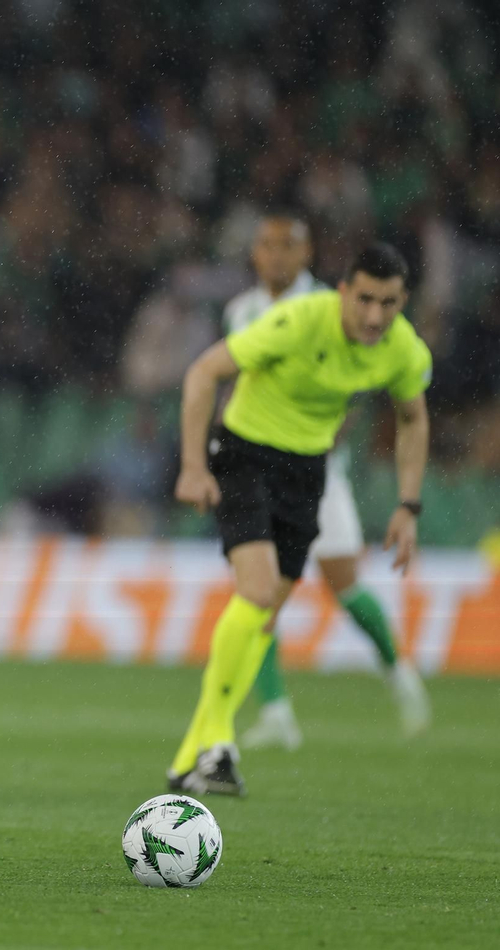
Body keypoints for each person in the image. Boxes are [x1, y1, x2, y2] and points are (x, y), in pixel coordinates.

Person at [169, 242, 432, 796]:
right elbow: (203, 372)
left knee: (264, 615)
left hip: (308, 472)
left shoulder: (403, 349)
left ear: (403, 300)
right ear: (343, 292)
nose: (374, 316)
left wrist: (408, 505)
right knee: (259, 590)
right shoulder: (297, 320)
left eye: (388, 303)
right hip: (245, 454)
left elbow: (413, 418)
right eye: (364, 300)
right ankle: (218, 742)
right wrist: (193, 466)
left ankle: (191, 756)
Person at [222, 214, 430, 750]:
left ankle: (397, 669)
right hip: (261, 466)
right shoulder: (240, 310)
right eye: (265, 245)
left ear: (307, 253)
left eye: (286, 246)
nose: (275, 256)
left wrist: (332, 429)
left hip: (318, 472)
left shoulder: (334, 306)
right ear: (253, 253)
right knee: (258, 592)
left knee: (344, 583)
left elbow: (359, 386)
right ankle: (275, 711)